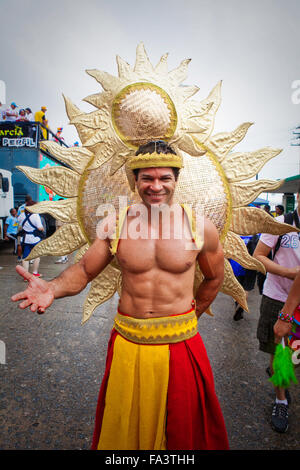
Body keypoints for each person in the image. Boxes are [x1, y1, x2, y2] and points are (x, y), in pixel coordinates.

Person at [11, 140, 229, 450]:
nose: (156, 186)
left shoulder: (200, 227)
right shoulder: (117, 224)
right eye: (147, 178)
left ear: (176, 181)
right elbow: (85, 271)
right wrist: (52, 288)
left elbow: (214, 277)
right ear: (135, 181)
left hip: (181, 344)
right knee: (125, 431)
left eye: (164, 178)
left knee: (183, 435)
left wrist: (189, 319)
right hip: (130, 343)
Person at [253, 186, 300, 433]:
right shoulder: (280, 223)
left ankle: (279, 373)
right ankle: (280, 400)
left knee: (293, 355)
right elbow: (259, 256)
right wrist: (289, 273)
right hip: (277, 297)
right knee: (279, 351)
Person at [230, 234, 259, 321]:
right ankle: (240, 306)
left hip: (236, 264)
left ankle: (238, 306)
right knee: (246, 288)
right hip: (251, 265)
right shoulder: (258, 234)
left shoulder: (236, 234)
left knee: (236, 288)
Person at [17, 200, 44, 277]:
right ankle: (35, 273)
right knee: (36, 256)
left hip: (25, 239)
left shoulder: (21, 215)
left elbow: (19, 225)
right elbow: (40, 228)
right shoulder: (36, 216)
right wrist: (42, 229)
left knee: (25, 257)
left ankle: (26, 276)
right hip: (35, 239)